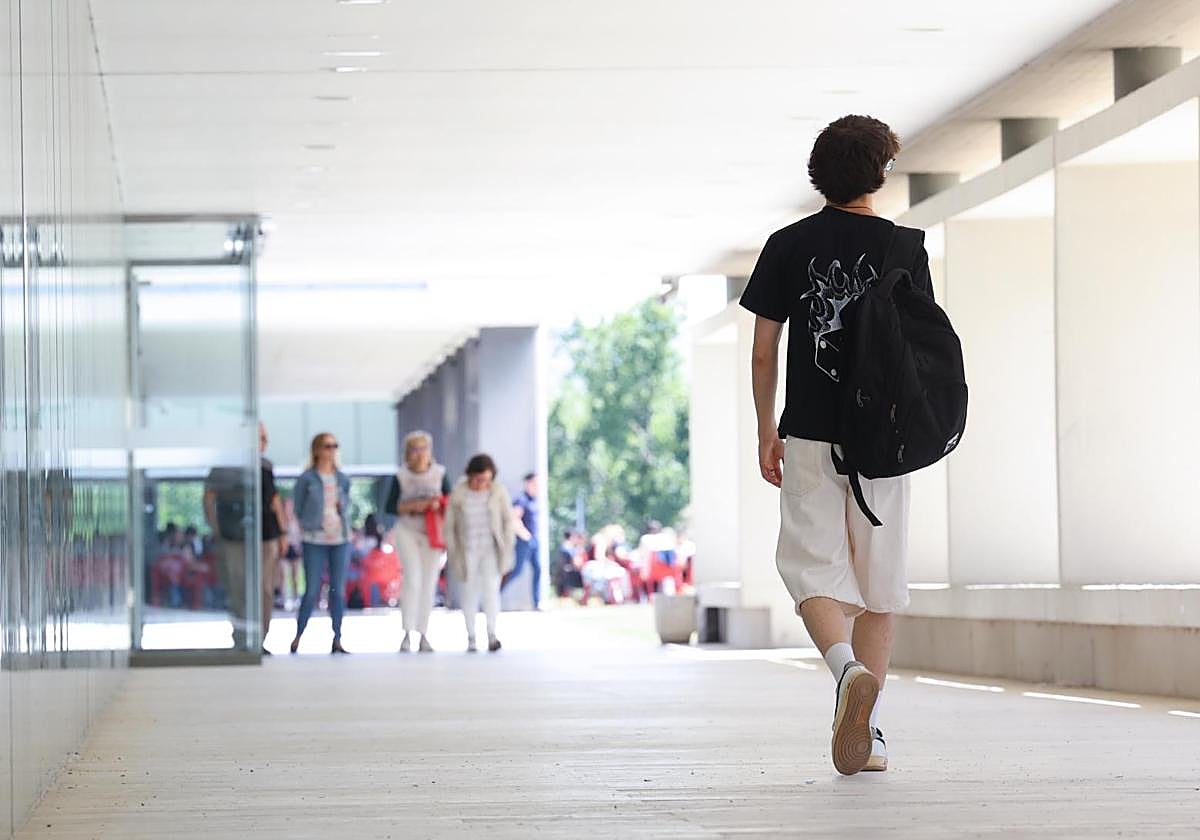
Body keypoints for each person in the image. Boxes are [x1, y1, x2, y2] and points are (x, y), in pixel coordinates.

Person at [740, 115, 932, 776]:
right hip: (884, 442)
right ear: (881, 173)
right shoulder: (906, 247)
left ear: (818, 175)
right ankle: (868, 736)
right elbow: (922, 348)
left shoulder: (788, 244)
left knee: (809, 567)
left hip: (811, 434)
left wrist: (766, 428)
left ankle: (846, 670)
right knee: (880, 589)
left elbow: (764, 349)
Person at [384, 431, 452, 653]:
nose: (420, 454)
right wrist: (414, 506)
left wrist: (437, 505)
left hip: (432, 533)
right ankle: (407, 632)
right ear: (408, 452)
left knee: (429, 582)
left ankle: (424, 633)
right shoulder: (401, 476)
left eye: (424, 448)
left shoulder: (440, 474)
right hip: (408, 530)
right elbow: (390, 506)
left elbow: (451, 501)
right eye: (415, 449)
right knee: (412, 579)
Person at [289, 432, 352, 655]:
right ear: (317, 450)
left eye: (335, 445)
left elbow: (347, 506)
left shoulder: (342, 479)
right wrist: (307, 526)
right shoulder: (306, 479)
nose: (331, 450)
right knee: (311, 589)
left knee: (338, 590)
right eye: (327, 446)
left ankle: (337, 638)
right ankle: (298, 635)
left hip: (340, 539)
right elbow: (297, 508)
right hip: (314, 539)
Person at [444, 454, 515, 653]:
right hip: (467, 550)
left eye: (486, 479)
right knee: (469, 592)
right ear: (470, 476)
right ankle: (471, 636)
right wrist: (451, 548)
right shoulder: (459, 494)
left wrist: (508, 544)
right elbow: (449, 525)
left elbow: (508, 520)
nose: (482, 483)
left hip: (491, 549)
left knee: (491, 590)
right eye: (478, 479)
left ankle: (492, 633)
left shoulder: (498, 492)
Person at [259, 422, 287, 654]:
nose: (265, 443)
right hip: (237, 536)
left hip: (266, 535)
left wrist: (282, 532)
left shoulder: (266, 466)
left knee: (265, 587)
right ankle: (243, 636)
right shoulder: (231, 466)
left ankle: (260, 637)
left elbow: (274, 500)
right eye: (261, 438)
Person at [501, 472, 541, 609]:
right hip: (524, 541)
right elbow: (514, 518)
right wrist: (524, 534)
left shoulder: (534, 500)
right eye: (535, 483)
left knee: (538, 569)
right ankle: (495, 593)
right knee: (517, 570)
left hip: (535, 541)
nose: (537, 486)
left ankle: (537, 602)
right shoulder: (522, 500)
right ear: (528, 483)